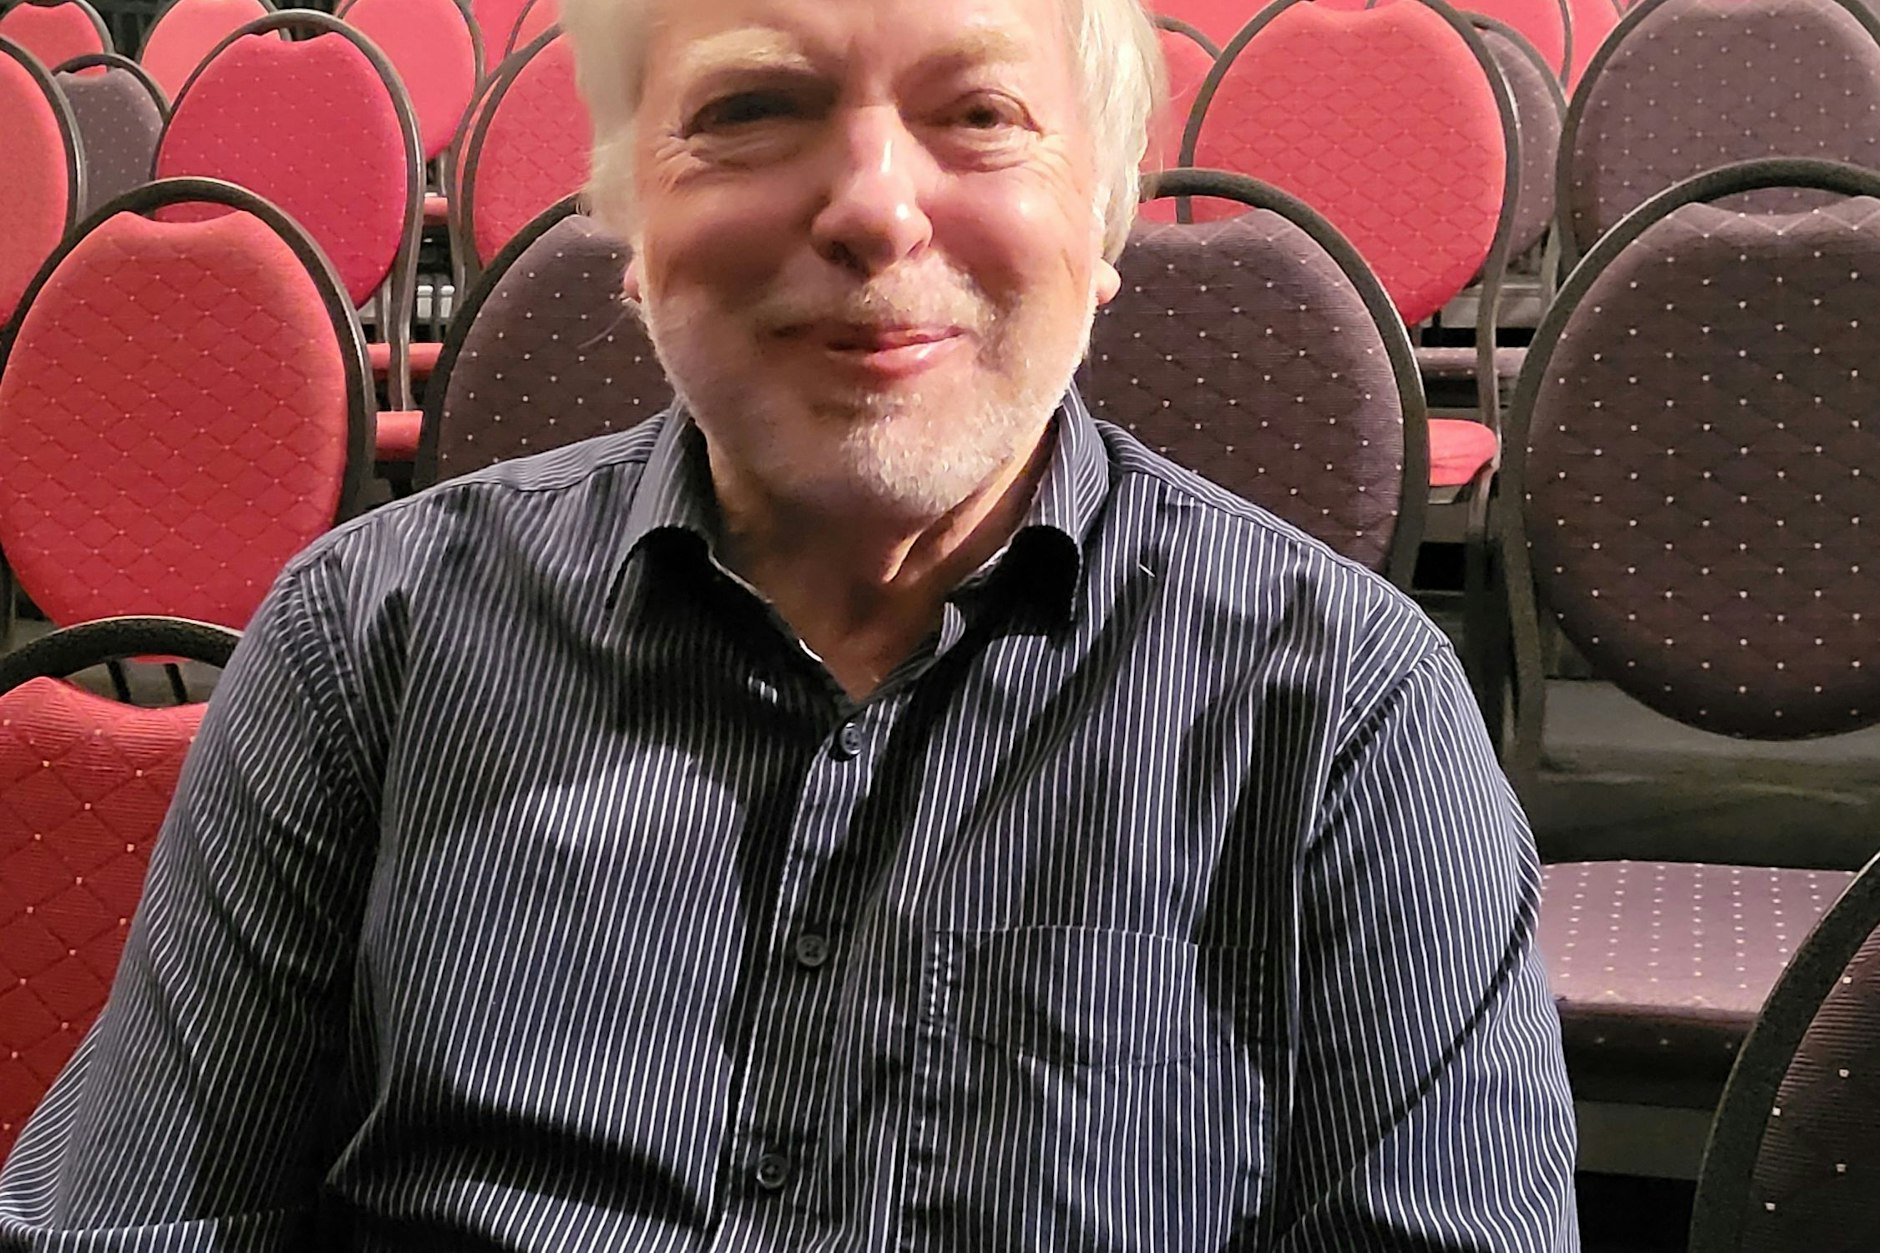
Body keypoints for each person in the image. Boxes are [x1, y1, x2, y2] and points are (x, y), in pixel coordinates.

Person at [0, 0, 1578, 1245]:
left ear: (1103, 224)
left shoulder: (1354, 721)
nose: (876, 210)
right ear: (625, 222)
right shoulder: (365, 648)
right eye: (752, 110)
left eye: (980, 115)